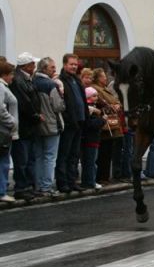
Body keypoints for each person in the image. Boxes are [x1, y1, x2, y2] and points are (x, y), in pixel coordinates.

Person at [9, 52, 42, 200]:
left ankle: (29, 186)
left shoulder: (26, 79)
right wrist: (35, 115)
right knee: (22, 159)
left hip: (30, 126)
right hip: (24, 126)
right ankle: (21, 187)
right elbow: (24, 102)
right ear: (25, 66)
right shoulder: (18, 80)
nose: (34, 66)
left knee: (29, 158)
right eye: (32, 64)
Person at [56, 53, 89, 194]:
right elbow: (63, 104)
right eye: (71, 64)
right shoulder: (61, 81)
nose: (74, 67)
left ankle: (72, 181)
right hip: (70, 124)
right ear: (64, 65)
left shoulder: (76, 80)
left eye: (75, 64)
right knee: (65, 154)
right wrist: (69, 119)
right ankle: (63, 183)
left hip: (80, 122)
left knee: (75, 155)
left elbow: (82, 100)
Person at [33, 57, 65, 197]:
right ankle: (47, 186)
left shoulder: (32, 82)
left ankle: (39, 185)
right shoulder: (50, 85)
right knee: (50, 157)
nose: (55, 70)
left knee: (39, 156)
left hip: (36, 125)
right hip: (51, 124)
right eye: (52, 67)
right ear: (45, 69)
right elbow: (58, 106)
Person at [91, 68, 124, 185]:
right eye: (103, 76)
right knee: (103, 153)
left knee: (108, 152)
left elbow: (116, 100)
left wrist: (117, 105)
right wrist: (112, 106)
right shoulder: (95, 88)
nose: (105, 78)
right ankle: (101, 177)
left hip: (111, 122)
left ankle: (105, 176)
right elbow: (103, 102)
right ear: (98, 78)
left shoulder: (105, 89)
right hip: (104, 124)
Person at [79, 87, 105, 190]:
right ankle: (90, 182)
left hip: (91, 139)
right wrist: (103, 120)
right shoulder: (90, 109)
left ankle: (88, 181)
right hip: (90, 139)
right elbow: (91, 124)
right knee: (90, 162)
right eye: (94, 96)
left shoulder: (92, 108)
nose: (96, 98)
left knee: (89, 162)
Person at [0, 61, 18, 202]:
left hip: (5, 129)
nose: (13, 76)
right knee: (3, 161)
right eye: (11, 73)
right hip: (3, 130)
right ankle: (1, 191)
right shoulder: (1, 87)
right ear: (5, 74)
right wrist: (12, 121)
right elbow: (0, 108)